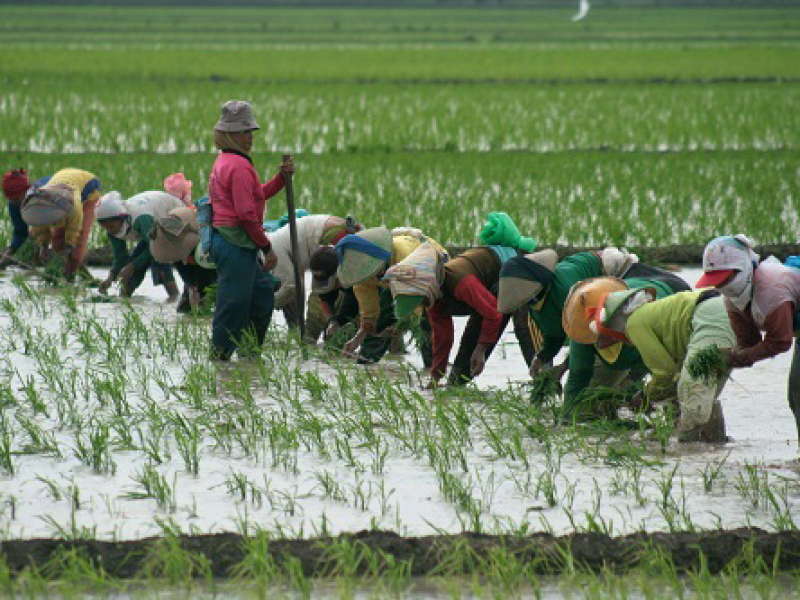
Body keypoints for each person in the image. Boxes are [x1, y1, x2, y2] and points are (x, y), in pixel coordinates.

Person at [564, 279, 734, 440]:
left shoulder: (634, 323)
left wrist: (646, 396)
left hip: (710, 317)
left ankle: (687, 451)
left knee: (692, 400)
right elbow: (672, 372)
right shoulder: (651, 313)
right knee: (705, 396)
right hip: (724, 310)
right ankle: (712, 451)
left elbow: (664, 373)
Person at [496, 248, 688, 377]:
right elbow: (554, 333)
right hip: (596, 293)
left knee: (624, 341)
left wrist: (563, 368)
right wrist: (543, 357)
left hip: (616, 271)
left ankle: (633, 389)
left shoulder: (566, 292)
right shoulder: (536, 305)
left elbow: (586, 336)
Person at [208, 99, 293, 360]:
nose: (249, 137)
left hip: (235, 241)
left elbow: (257, 196)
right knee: (232, 305)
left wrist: (281, 179)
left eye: (250, 131)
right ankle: (219, 359)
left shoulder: (230, 161)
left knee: (261, 296)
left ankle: (250, 354)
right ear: (230, 135)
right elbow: (246, 215)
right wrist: (267, 248)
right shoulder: (238, 166)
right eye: (244, 132)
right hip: (235, 242)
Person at [383, 242, 534, 386]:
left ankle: (543, 382)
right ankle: (455, 383)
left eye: (420, 300)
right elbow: (443, 337)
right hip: (489, 291)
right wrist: (435, 377)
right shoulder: (434, 300)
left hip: (518, 271)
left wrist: (481, 349)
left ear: (427, 289)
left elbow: (493, 313)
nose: (422, 306)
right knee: (458, 379)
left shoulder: (462, 283)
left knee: (524, 330)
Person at [696, 235, 800, 441]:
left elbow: (780, 341)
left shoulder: (772, 288)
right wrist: (726, 355)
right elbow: (749, 342)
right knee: (796, 397)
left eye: (726, 279)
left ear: (743, 268)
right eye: (717, 282)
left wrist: (741, 358)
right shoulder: (732, 299)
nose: (722, 286)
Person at [334, 226, 446, 363]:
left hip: (428, 275)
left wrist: (399, 326)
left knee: (425, 324)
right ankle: (366, 362)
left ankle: (434, 370)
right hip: (394, 280)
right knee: (379, 322)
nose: (370, 274)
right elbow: (368, 307)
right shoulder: (362, 273)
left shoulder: (405, 256)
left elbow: (416, 304)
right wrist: (360, 335)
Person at [95, 190, 184, 300]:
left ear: (122, 218)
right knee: (133, 265)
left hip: (175, 221)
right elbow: (120, 257)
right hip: (155, 230)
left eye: (111, 226)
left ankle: (174, 297)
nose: (109, 230)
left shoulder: (141, 218)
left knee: (159, 261)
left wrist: (132, 266)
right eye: (105, 227)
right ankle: (124, 298)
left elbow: (156, 246)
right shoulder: (112, 231)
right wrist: (110, 278)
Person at [21, 168, 102, 278]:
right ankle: (62, 273)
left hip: (89, 188)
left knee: (78, 243)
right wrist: (44, 246)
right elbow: (41, 228)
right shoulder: (39, 207)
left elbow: (75, 229)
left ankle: (70, 276)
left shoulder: (75, 207)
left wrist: (69, 246)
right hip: (60, 185)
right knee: (58, 241)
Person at [149, 205, 217, 313]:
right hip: (194, 256)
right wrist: (192, 287)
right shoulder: (171, 248)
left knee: (210, 291)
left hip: (208, 257)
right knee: (186, 307)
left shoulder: (201, 235)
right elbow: (184, 272)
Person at [1, 169, 30, 267]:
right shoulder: (13, 205)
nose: (14, 202)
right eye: (11, 199)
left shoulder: (38, 201)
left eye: (16, 198)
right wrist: (11, 249)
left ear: (26, 191)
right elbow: (20, 231)